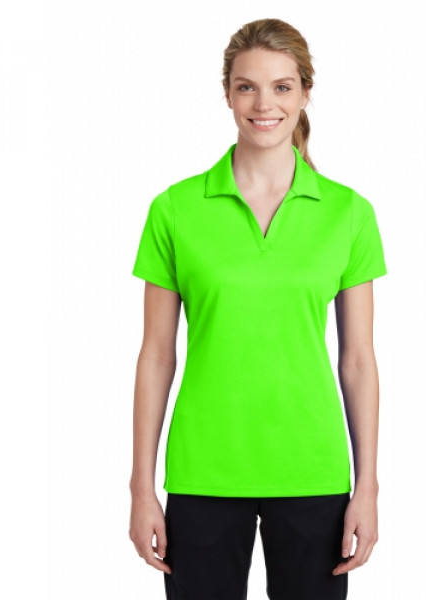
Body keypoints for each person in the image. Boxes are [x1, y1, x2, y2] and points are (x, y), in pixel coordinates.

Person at [128, 18, 388, 600]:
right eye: (246, 86)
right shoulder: (175, 210)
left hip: (313, 470)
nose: (264, 104)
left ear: (305, 93)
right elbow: (156, 356)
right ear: (227, 94)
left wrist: (367, 486)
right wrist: (141, 487)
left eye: (282, 87)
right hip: (203, 472)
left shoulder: (348, 214)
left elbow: (358, 360)